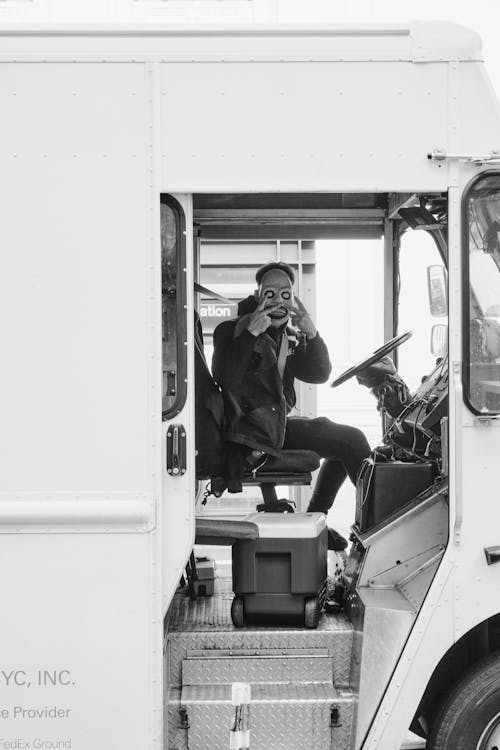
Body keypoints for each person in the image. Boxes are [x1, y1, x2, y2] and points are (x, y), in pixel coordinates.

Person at [212, 261, 372, 550]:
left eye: (285, 294)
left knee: (341, 440)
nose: (277, 301)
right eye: (269, 293)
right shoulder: (231, 331)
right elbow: (225, 379)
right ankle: (376, 525)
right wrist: (251, 334)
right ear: (257, 295)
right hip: (247, 434)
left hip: (272, 426)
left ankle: (316, 520)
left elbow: (319, 374)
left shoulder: (288, 337)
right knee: (351, 440)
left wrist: (312, 333)